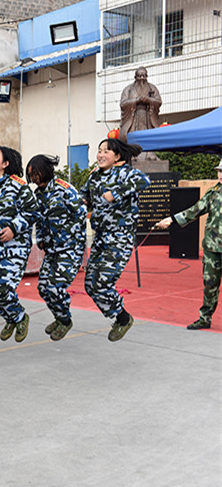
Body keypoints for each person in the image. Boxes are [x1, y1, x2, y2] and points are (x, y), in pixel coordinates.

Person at [80, 138, 151, 341]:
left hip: (119, 238)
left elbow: (145, 181)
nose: (101, 155)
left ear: (117, 156)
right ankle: (121, 317)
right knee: (90, 285)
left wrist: (116, 193)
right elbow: (84, 196)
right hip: (100, 237)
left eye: (106, 151)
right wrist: (80, 203)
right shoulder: (94, 176)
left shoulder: (126, 173)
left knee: (102, 283)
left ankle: (123, 319)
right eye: (99, 151)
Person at [0, 146, 39, 343]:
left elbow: (33, 211)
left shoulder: (17, 186)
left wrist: (13, 227)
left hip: (15, 248)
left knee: (2, 288)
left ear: (5, 164)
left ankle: (20, 317)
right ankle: (11, 318)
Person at [155, 160, 222, 330]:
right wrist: (171, 220)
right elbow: (194, 210)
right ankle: (205, 318)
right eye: (219, 171)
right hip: (212, 248)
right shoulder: (213, 193)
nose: (221, 175)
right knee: (210, 285)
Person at [26, 155, 87, 340]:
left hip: (69, 250)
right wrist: (41, 239)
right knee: (43, 287)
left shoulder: (64, 189)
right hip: (52, 251)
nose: (34, 178)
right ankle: (60, 317)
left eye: (35, 173)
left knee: (55, 287)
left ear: (45, 170)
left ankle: (65, 321)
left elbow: (81, 214)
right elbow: (39, 221)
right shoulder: (38, 195)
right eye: (31, 175)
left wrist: (68, 237)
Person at [119, 66, 162, 143]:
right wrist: (136, 100)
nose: (142, 78)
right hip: (133, 117)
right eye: (139, 76)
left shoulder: (152, 88)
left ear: (146, 76)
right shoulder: (128, 89)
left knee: (149, 138)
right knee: (132, 139)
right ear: (135, 77)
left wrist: (149, 100)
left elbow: (158, 101)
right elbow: (123, 103)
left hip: (147, 117)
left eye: (144, 76)